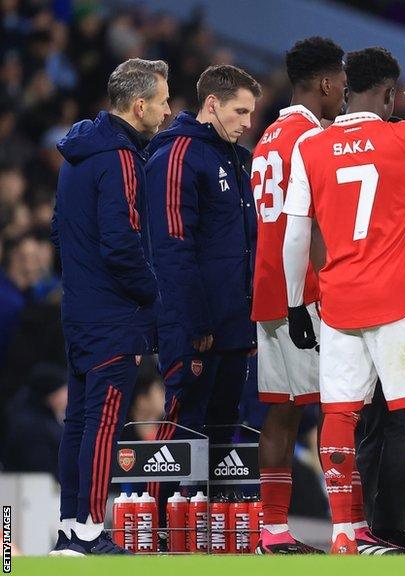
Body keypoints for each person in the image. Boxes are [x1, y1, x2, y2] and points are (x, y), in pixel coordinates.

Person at [281, 45, 405, 555]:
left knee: (341, 414)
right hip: (399, 298)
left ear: (346, 91)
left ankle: (343, 533)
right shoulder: (402, 135)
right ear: (390, 94)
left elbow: (295, 237)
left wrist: (298, 303)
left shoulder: (310, 148)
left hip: (339, 304)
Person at [50, 58, 169, 555]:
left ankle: (68, 528)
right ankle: (90, 530)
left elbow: (59, 230)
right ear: (139, 105)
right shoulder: (119, 157)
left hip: (79, 310)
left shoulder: (78, 154)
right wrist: (152, 295)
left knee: (79, 419)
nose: (166, 112)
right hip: (113, 314)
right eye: (162, 102)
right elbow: (123, 244)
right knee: (103, 421)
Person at [145, 64, 261, 509]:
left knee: (223, 427)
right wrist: (195, 323)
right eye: (240, 111)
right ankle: (156, 526)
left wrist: (247, 323)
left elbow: (246, 247)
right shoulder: (177, 155)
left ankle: (210, 529)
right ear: (211, 104)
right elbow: (172, 249)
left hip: (233, 325)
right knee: (184, 421)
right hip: (193, 325)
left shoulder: (238, 158)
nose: (248, 122)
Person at [249, 36, 346, 555]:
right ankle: (350, 528)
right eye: (343, 87)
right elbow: (311, 223)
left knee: (283, 410)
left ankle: (273, 530)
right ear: (327, 84)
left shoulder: (266, 138)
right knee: (338, 408)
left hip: (267, 289)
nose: (344, 98)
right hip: (305, 291)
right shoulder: (313, 140)